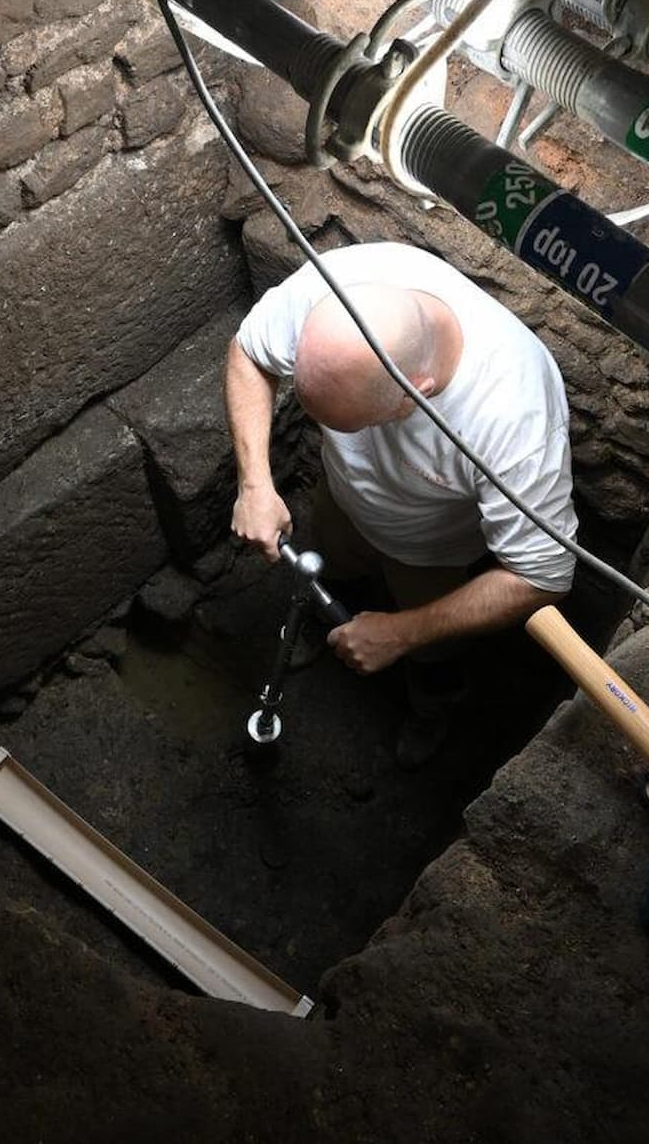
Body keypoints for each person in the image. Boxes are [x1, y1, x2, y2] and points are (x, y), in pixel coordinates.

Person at [225, 240, 578, 764]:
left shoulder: (512, 421)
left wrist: (401, 633)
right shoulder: (342, 288)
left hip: (428, 551)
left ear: (416, 393)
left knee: (434, 650)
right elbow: (250, 352)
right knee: (328, 572)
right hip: (342, 503)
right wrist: (255, 482)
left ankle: (433, 704)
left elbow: (543, 574)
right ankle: (323, 625)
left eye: (355, 423)